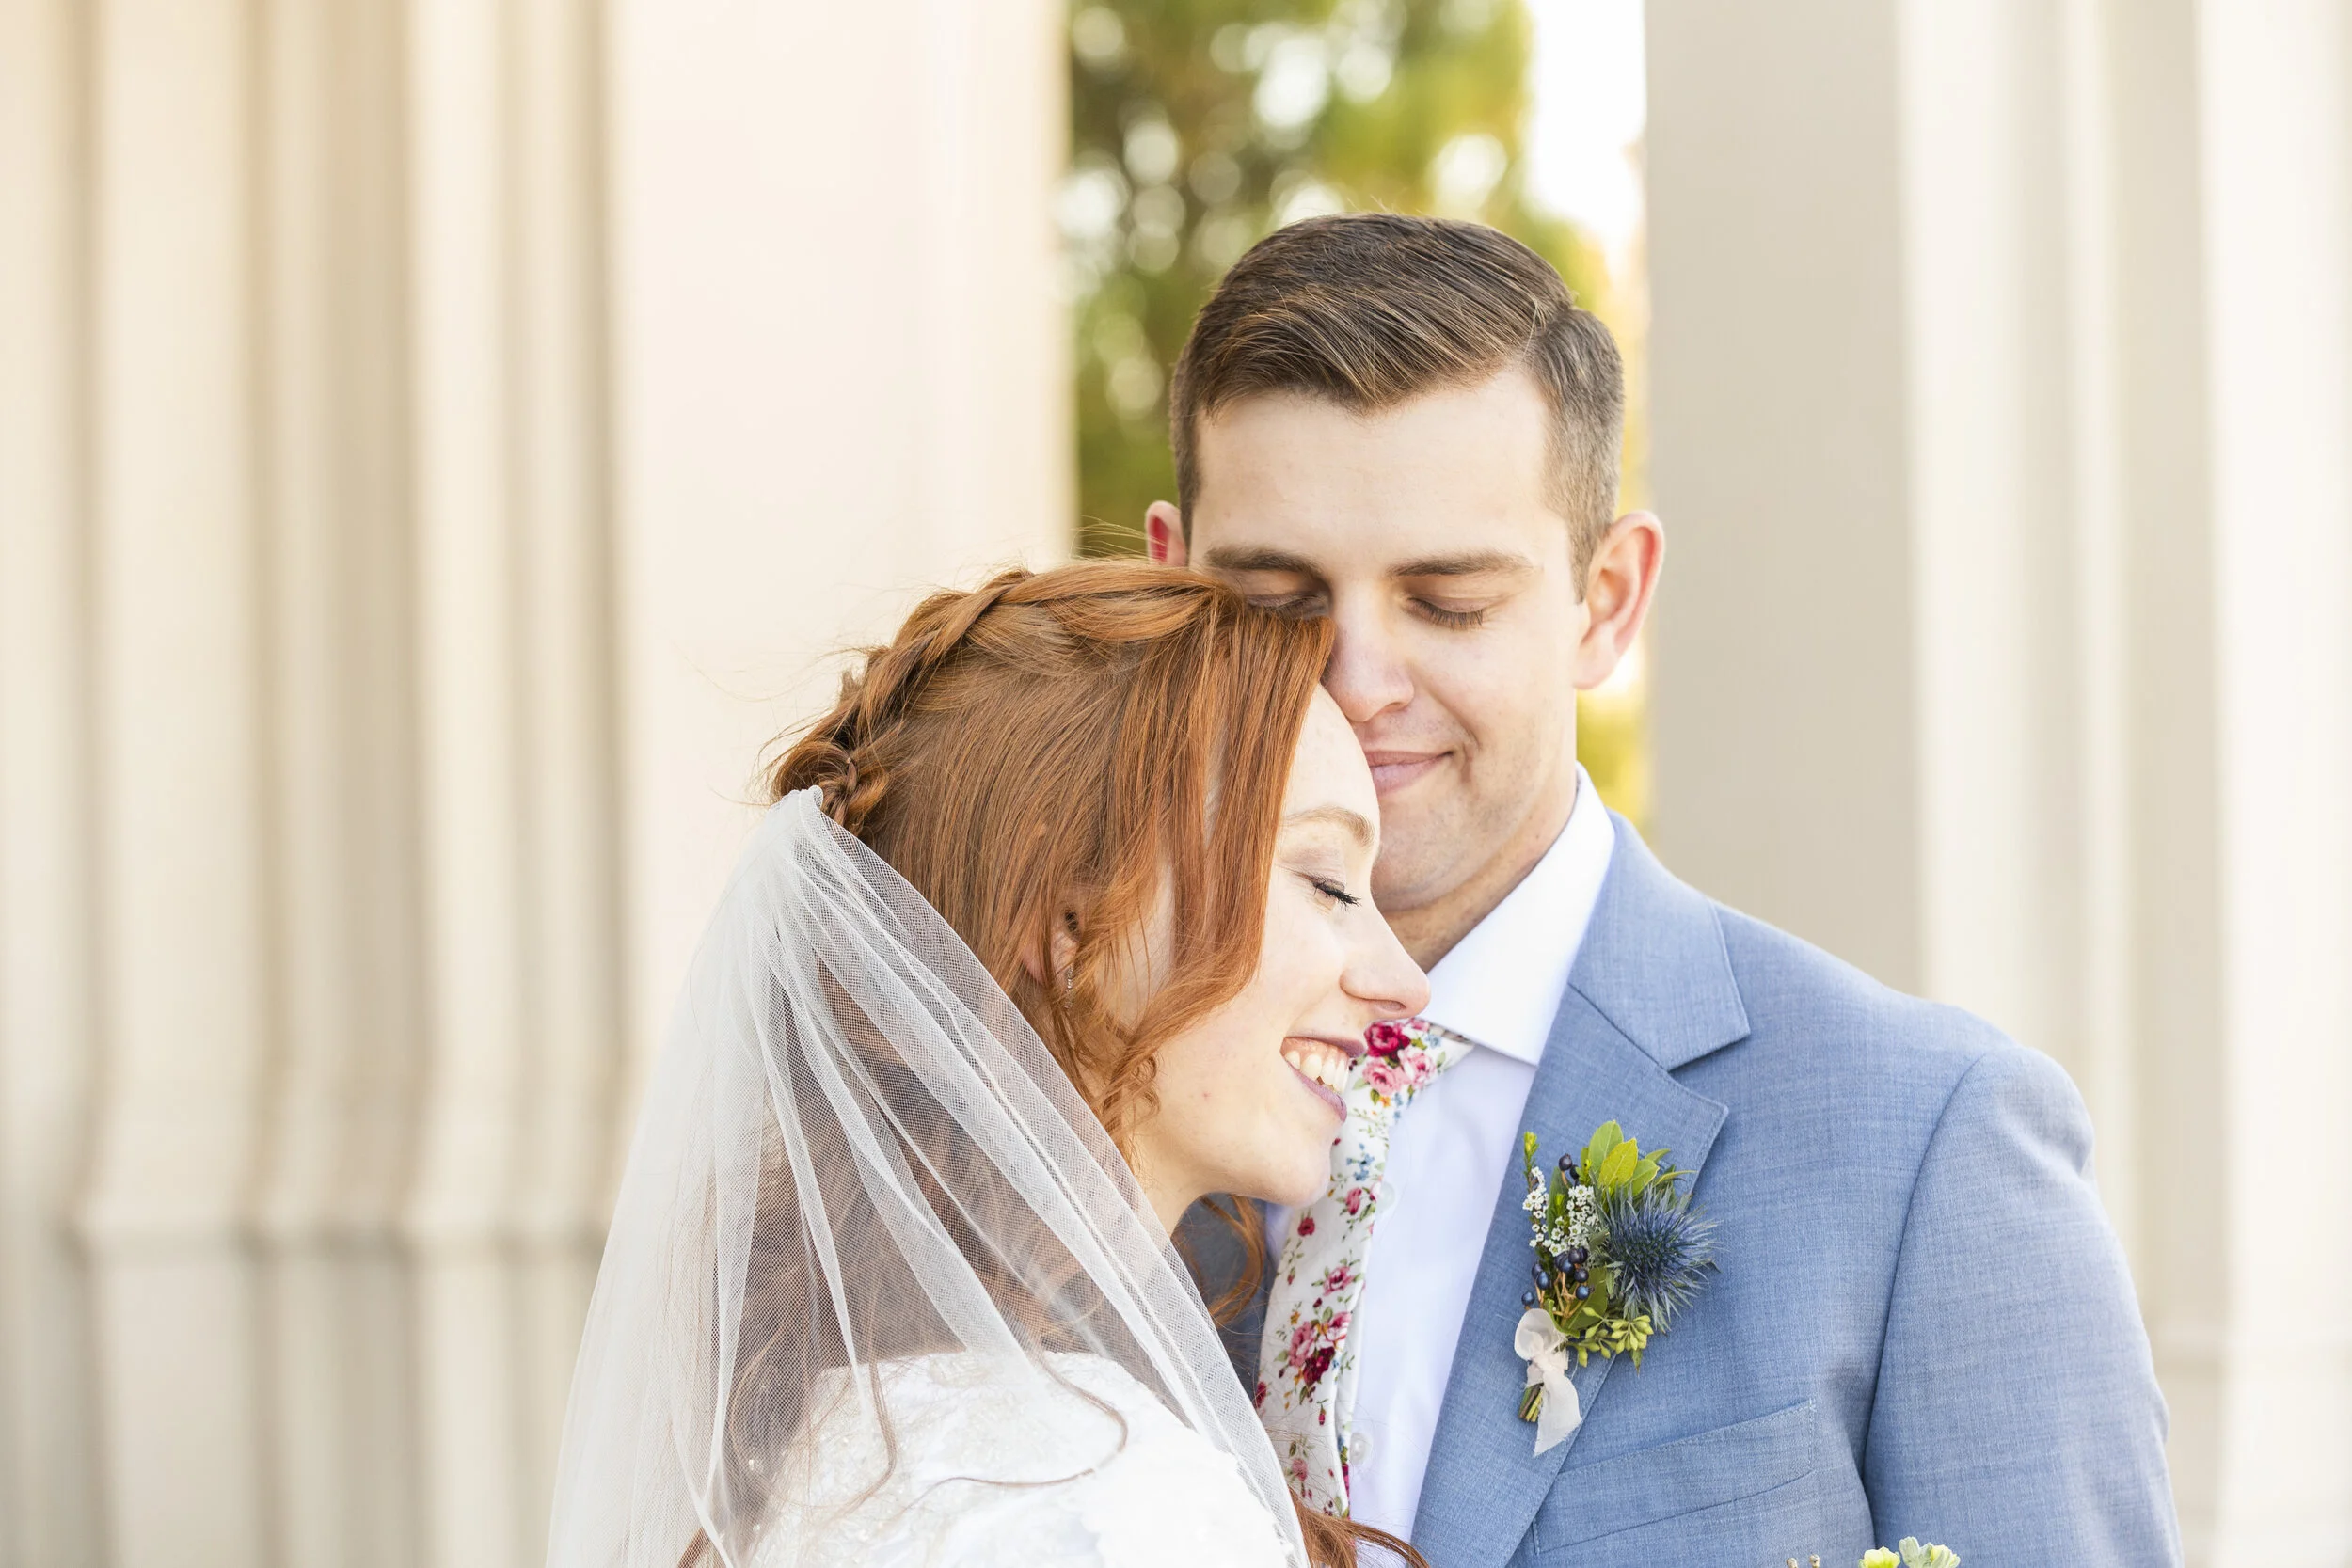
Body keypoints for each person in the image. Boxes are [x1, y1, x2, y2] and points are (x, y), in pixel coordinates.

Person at [1150, 214, 2181, 1567]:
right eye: (1275, 599)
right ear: (1167, 585)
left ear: (1607, 599)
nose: (1356, 683)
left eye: (1449, 600)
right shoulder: (1072, 1085)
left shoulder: (1933, 1146)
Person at [543, 562, 1431, 1568]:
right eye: (1325, 881)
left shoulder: (841, 1438)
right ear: (1075, 921)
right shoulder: (1106, 1503)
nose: (1404, 981)